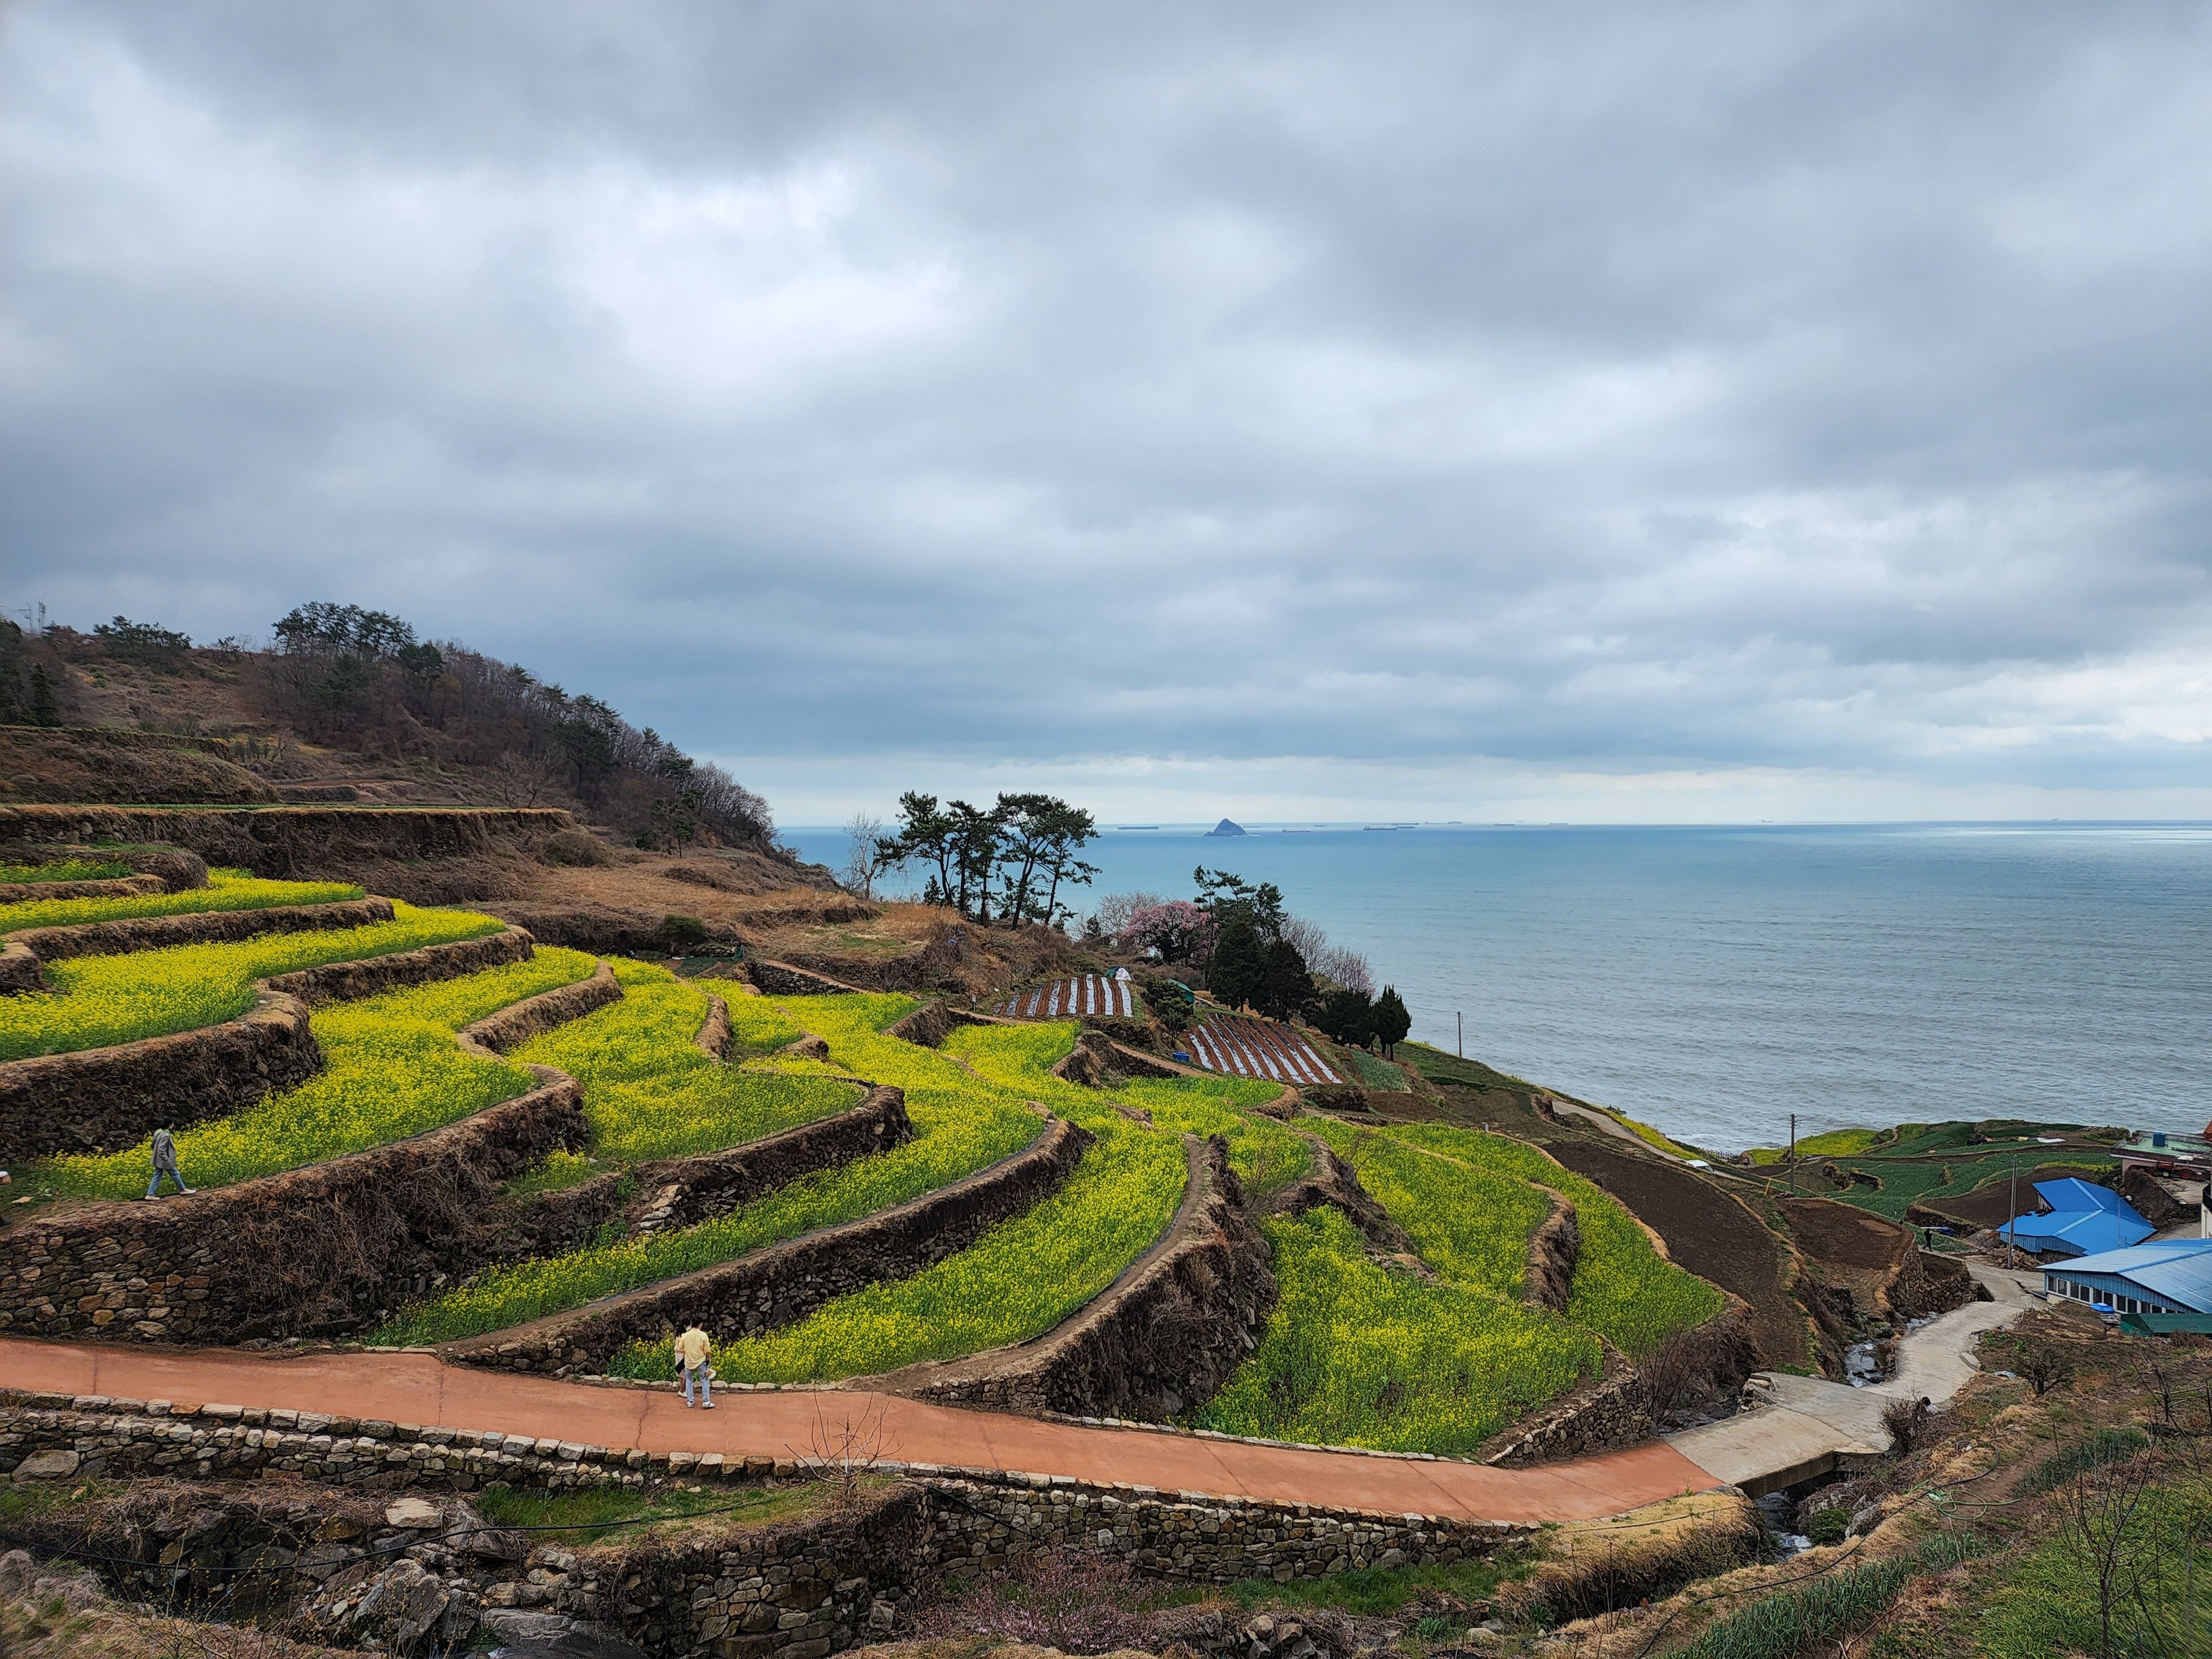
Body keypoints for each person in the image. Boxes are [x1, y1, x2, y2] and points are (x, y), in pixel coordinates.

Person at [144, 1124, 194, 1199]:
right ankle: (183, 1189)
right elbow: (161, 1149)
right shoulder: (165, 1135)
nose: (173, 1125)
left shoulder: (158, 1132)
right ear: (169, 1125)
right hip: (164, 1160)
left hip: (158, 1159)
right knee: (174, 1173)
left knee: (158, 1175)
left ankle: (150, 1194)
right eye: (172, 1124)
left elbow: (153, 1144)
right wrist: (166, 1159)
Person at [674, 1324, 714, 1408]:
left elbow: (680, 1348)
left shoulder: (686, 1335)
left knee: (689, 1381)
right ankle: (706, 1402)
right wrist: (709, 1359)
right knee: (704, 1380)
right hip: (700, 1361)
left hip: (689, 1361)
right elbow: (707, 1350)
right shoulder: (703, 1335)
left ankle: (690, 1401)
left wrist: (687, 1352)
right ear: (700, 1324)